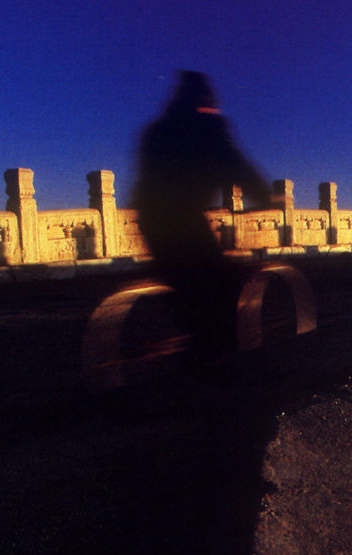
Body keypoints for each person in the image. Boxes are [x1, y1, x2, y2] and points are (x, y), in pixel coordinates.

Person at [133, 70, 274, 361]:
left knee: (185, 283)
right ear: (205, 97)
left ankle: (191, 334)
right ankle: (213, 360)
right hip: (182, 220)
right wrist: (263, 196)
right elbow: (236, 165)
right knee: (222, 284)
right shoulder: (208, 127)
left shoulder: (157, 129)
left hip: (150, 219)